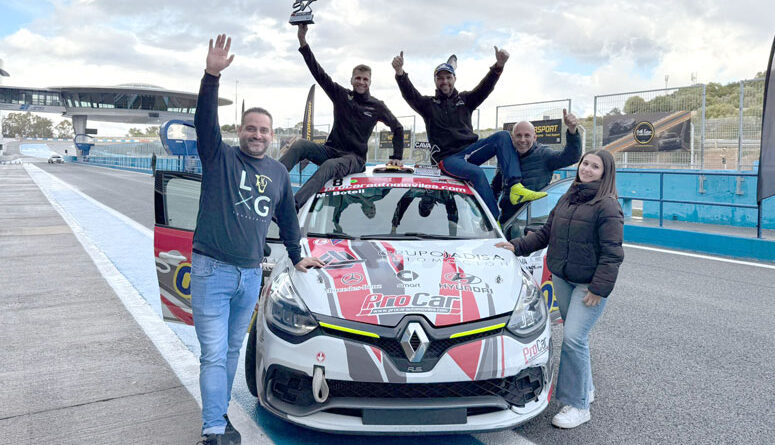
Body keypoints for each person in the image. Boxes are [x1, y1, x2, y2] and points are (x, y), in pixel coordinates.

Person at [193, 34, 324, 445]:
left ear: (272, 135)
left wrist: (298, 256)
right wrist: (211, 76)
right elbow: (203, 122)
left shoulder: (279, 173)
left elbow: (287, 217)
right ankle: (213, 429)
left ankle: (219, 416)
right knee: (214, 354)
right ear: (240, 130)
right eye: (250, 128)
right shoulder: (220, 156)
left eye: (264, 130)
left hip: (250, 277)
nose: (257, 134)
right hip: (211, 271)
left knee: (231, 353)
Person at [496, 149, 624, 429]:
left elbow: (612, 253)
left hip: (588, 286)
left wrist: (599, 289)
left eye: (595, 167)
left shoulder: (608, 206)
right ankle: (586, 389)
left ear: (605, 173)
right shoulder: (569, 196)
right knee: (578, 340)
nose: (587, 169)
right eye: (585, 163)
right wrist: (515, 246)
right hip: (563, 279)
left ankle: (578, 406)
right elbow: (545, 233)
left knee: (574, 339)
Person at [392, 49, 546, 221]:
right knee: (477, 173)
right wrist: (400, 73)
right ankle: (494, 220)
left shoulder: (465, 100)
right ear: (435, 81)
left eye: (448, 77)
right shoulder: (428, 105)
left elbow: (485, 88)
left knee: (503, 136)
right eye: (440, 78)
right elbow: (410, 95)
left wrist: (498, 66)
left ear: (454, 79)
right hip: (448, 160)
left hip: (470, 153)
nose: (445, 81)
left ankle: (515, 187)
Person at [280, 24, 406, 209]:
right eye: (358, 78)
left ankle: (292, 206)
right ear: (352, 79)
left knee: (330, 166)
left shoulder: (377, 106)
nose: (361, 82)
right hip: (330, 151)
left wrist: (397, 155)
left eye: (365, 79)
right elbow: (319, 74)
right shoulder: (341, 95)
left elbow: (398, 128)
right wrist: (302, 42)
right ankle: (268, 183)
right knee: (299, 145)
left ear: (370, 82)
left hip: (354, 159)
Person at [492, 110, 582, 223]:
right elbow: (496, 188)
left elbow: (571, 156)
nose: (522, 140)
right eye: (518, 135)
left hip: (534, 221)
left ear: (535, 137)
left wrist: (572, 131)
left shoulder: (544, 154)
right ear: (512, 137)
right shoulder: (506, 157)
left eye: (527, 135)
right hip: (508, 219)